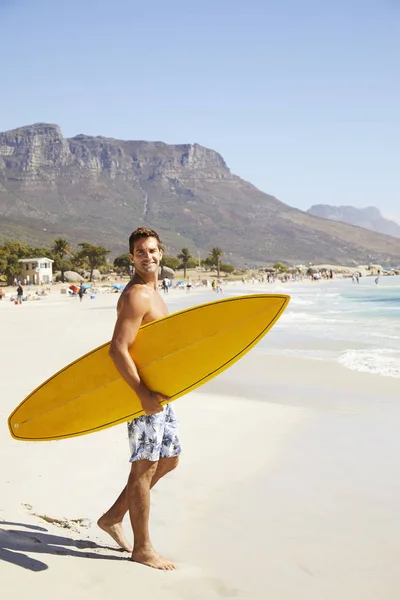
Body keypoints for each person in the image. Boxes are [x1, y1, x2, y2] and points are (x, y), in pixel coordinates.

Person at [97, 227, 181, 571]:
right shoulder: (137, 296)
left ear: (161, 252)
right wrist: (142, 395)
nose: (148, 257)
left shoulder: (154, 292)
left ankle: (114, 516)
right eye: (141, 252)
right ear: (132, 258)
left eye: (152, 250)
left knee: (170, 459)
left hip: (159, 393)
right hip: (142, 395)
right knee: (144, 468)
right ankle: (142, 548)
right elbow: (117, 350)